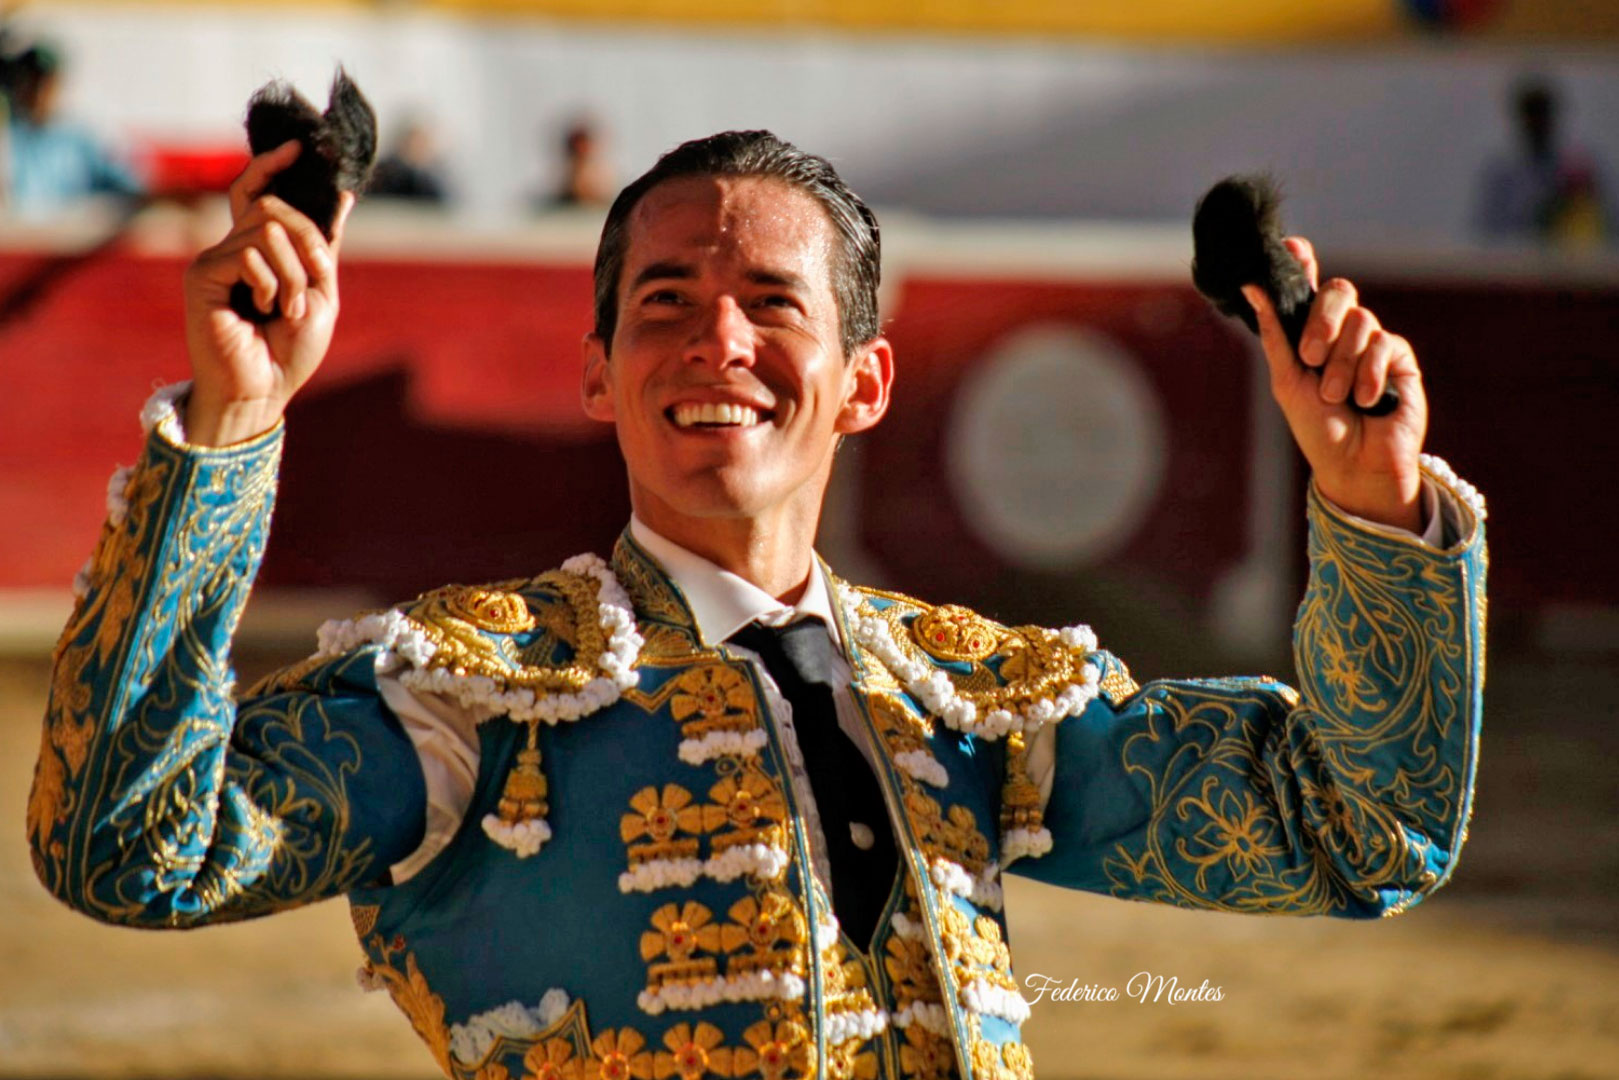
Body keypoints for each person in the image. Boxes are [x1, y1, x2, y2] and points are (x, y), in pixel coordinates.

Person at [30, 130, 1485, 1080]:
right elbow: (129, 850)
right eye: (661, 302)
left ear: (863, 383)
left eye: (771, 301)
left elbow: (1358, 832)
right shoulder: (472, 690)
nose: (713, 338)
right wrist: (228, 429)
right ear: (598, 374)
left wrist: (1367, 502)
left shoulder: (966, 697)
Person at [0, 42, 142, 218]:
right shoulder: (7, 133)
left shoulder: (81, 138)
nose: (38, 92)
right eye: (31, 82)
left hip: (69, 239)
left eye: (46, 83)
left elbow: (129, 187)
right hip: (16, 239)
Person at [1473, 75, 1613, 247]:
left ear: (1552, 116)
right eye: (1531, 114)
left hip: (1568, 264)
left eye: (1542, 113)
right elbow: (1486, 232)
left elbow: (1607, 223)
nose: (1537, 122)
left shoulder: (1579, 169)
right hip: (1514, 265)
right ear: (1521, 118)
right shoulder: (1502, 174)